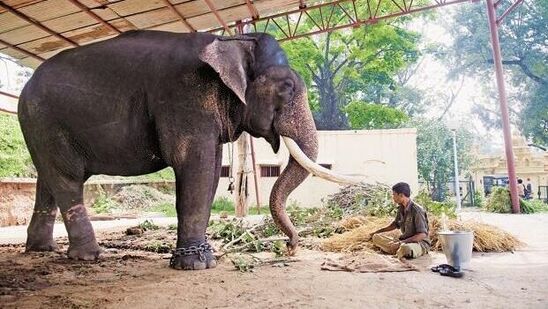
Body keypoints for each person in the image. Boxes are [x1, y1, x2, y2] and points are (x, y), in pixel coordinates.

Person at [369, 182, 431, 259]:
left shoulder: (417, 210)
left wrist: (401, 243)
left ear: (401, 195)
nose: (393, 197)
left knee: (406, 248)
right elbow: (395, 225)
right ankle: (397, 250)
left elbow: (422, 235)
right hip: (404, 241)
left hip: (418, 244)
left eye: (394, 195)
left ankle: (398, 250)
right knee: (376, 237)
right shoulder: (401, 208)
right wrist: (377, 232)